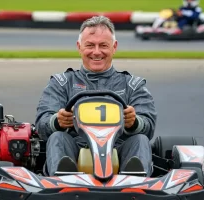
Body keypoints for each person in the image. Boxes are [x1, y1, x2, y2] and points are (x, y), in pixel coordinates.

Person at [35, 16, 157, 177]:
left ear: (114, 47)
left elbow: (148, 126)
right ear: (79, 47)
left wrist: (134, 122)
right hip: (75, 148)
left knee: (140, 139)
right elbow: (42, 125)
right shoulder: (62, 83)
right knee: (57, 137)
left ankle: (134, 181)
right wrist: (57, 121)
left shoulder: (132, 85)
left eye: (103, 45)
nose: (97, 52)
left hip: (118, 150)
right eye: (90, 45)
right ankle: (63, 179)